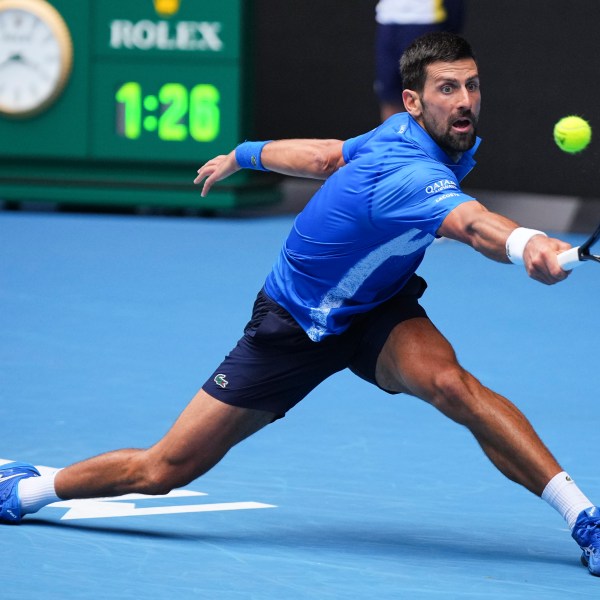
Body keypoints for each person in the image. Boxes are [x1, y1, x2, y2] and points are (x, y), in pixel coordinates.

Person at [1, 32, 599, 577]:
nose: (465, 99)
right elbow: (472, 224)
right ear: (414, 102)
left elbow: (328, 157)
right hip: (292, 323)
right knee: (163, 471)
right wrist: (528, 245)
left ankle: (584, 519)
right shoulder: (410, 170)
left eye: (471, 85)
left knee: (453, 386)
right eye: (447, 88)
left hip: (374, 309)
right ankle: (33, 489)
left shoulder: (407, 134)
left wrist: (244, 154)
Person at [375, 0, 465, 120]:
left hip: (425, 20)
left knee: (427, 94)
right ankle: (393, 138)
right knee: (390, 95)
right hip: (387, 20)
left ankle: (432, 139)